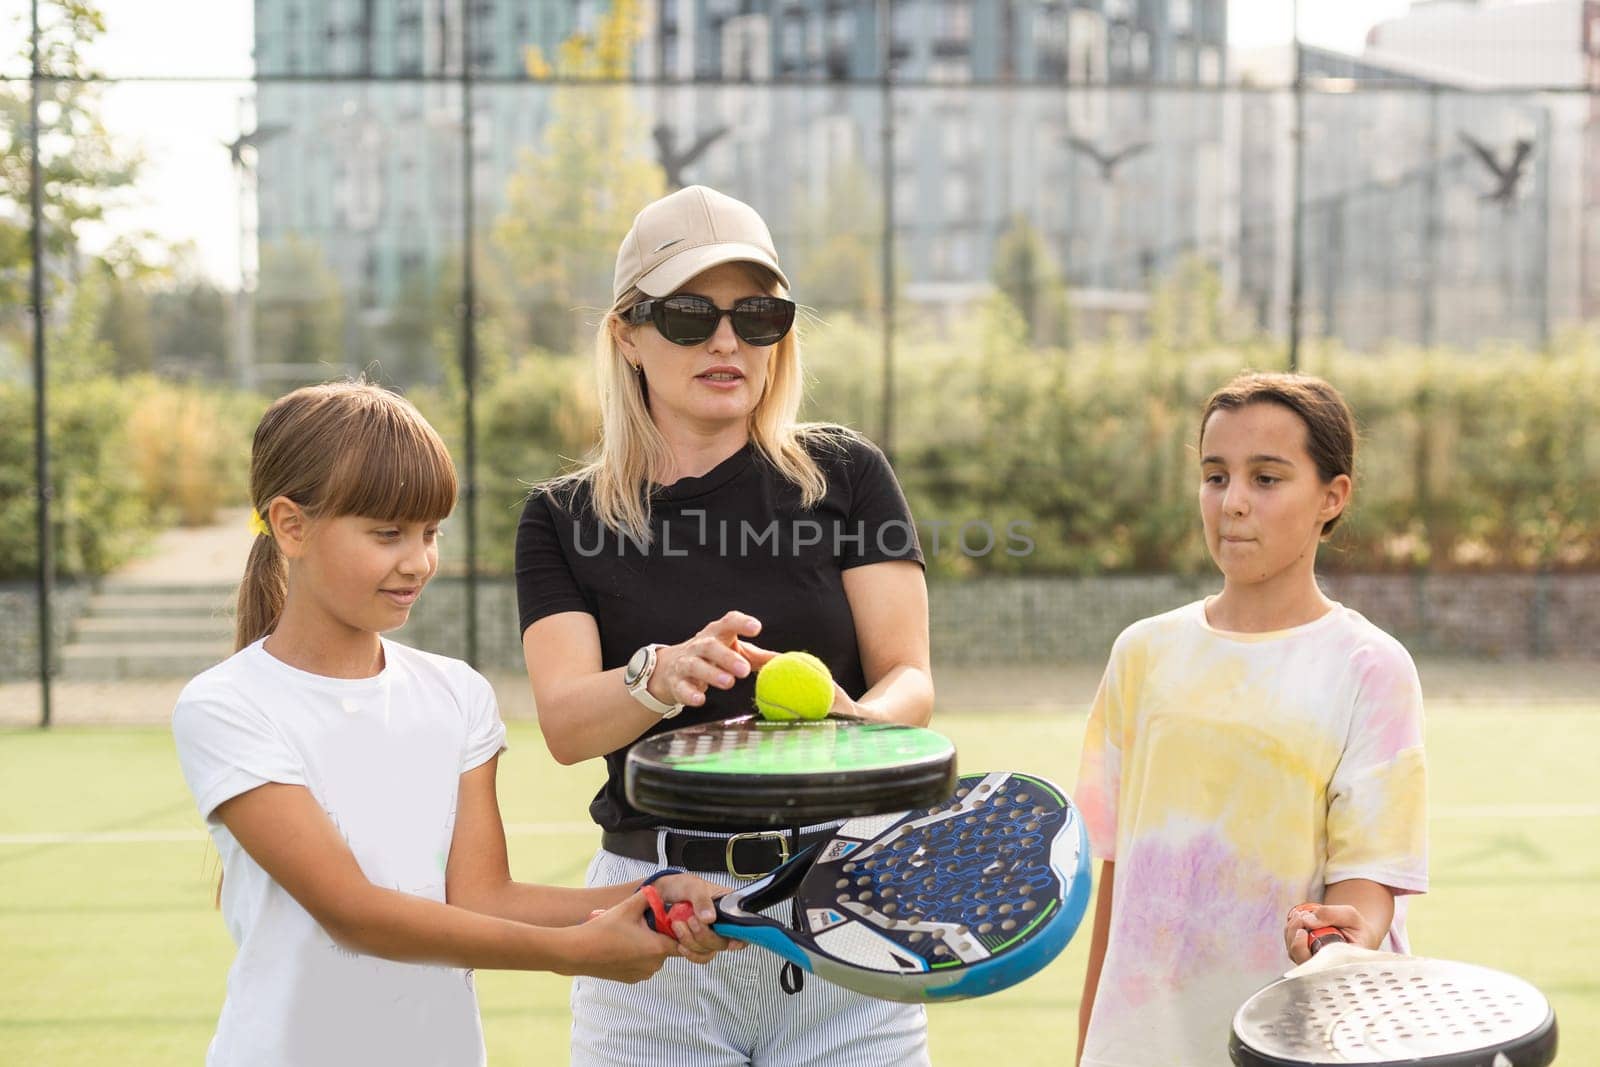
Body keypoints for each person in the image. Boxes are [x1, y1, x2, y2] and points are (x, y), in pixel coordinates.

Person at [172, 381, 733, 1067]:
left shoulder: (457, 694)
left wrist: (650, 892)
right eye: (387, 534)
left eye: (430, 532)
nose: (418, 561)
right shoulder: (226, 706)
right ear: (291, 525)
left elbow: (482, 898)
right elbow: (355, 911)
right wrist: (572, 952)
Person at [516, 184, 936, 1065]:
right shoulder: (561, 517)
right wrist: (654, 677)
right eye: (688, 315)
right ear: (627, 332)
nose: (725, 340)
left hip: (844, 901)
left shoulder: (848, 472)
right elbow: (563, 723)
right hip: (656, 918)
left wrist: (855, 722)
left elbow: (911, 680)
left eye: (756, 313)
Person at [1074, 372, 1429, 1066]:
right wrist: (1090, 1045)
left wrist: (1339, 940)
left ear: (1333, 496)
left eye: (1266, 479)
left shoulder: (1371, 667)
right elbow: (1116, 884)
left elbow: (1369, 882)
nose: (1232, 503)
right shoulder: (1141, 652)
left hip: (1294, 1043)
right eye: (1215, 476)